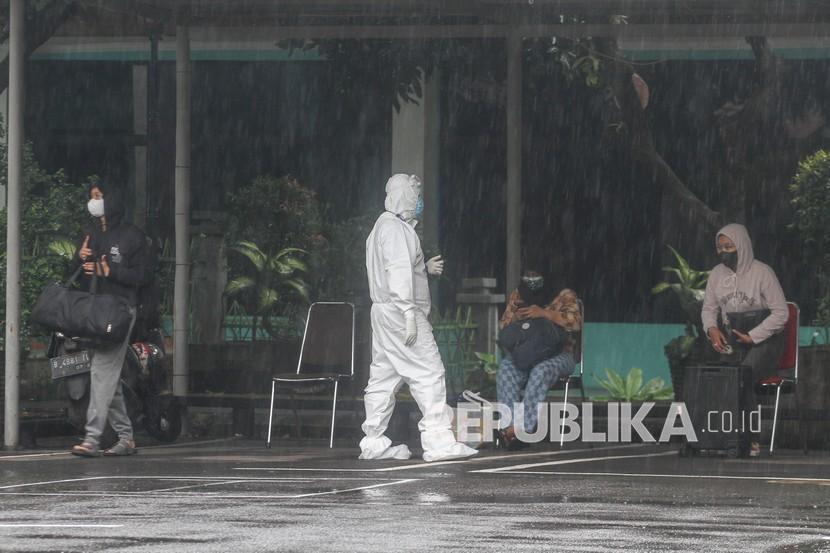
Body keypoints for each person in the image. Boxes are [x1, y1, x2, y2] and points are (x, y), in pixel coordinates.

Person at [359, 174, 478, 462]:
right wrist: (409, 313)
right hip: (402, 313)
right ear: (407, 198)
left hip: (384, 312)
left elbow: (395, 271)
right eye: (416, 195)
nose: (419, 201)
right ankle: (439, 441)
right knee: (429, 371)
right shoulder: (397, 229)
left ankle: (373, 441)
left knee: (383, 376)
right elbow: (398, 272)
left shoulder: (382, 227)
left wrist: (422, 268)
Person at [70, 183, 148, 457]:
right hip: (95, 311)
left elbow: (141, 278)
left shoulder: (132, 237)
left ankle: (92, 438)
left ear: (111, 200)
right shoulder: (91, 234)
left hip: (120, 311)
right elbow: (78, 273)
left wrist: (109, 271)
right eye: (92, 197)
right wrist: (78, 259)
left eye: (98, 197)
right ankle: (126, 437)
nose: (94, 202)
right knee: (108, 375)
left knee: (102, 369)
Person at [701, 223, 788, 457]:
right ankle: (724, 437)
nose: (724, 252)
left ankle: (751, 438)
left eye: (729, 246)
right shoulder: (717, 274)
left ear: (742, 245)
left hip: (766, 339)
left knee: (743, 375)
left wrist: (753, 336)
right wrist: (712, 329)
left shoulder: (763, 272)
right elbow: (708, 309)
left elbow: (782, 313)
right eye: (720, 247)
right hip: (734, 337)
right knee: (721, 376)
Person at [496, 271, 582, 450]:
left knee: (541, 371)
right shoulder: (518, 294)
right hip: (527, 354)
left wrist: (544, 313)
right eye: (528, 277)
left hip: (561, 355)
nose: (532, 281)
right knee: (506, 368)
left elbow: (575, 323)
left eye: (536, 276)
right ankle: (510, 428)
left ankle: (523, 430)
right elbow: (504, 327)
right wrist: (517, 317)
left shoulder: (565, 295)